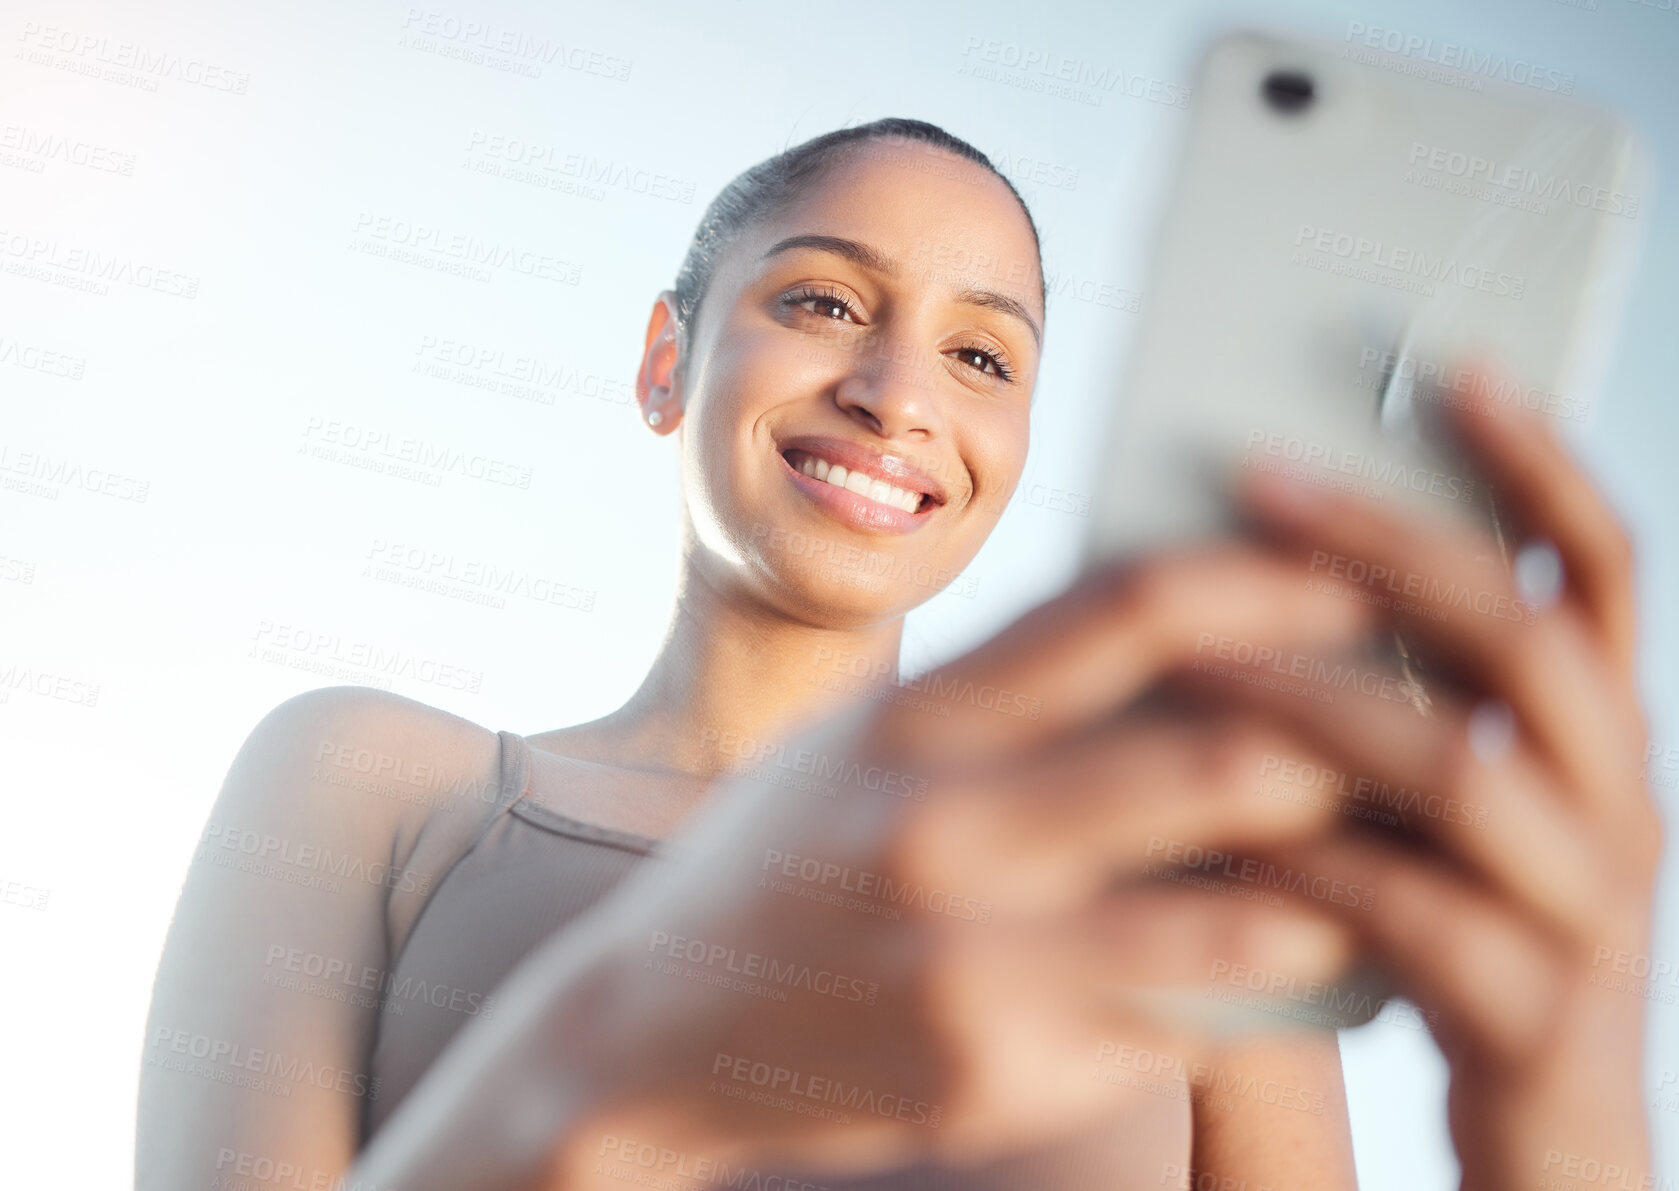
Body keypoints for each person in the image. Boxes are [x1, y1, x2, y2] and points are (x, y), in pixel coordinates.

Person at [135, 118, 1663, 1191]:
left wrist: (1571, 1114)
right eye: (821, 300)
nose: (893, 391)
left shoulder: (1186, 908)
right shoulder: (377, 780)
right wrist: (619, 1082)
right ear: (668, 361)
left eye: (982, 356)